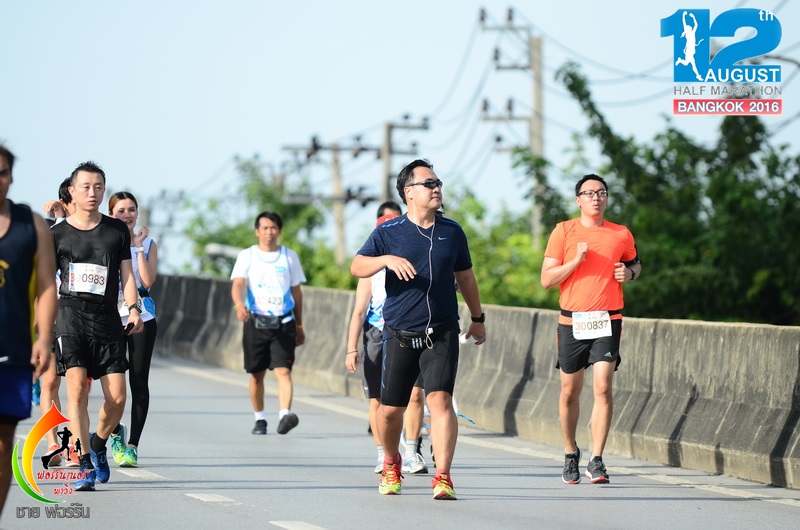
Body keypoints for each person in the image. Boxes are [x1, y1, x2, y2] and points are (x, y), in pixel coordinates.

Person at [351, 159, 486, 500]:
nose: (436, 188)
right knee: (390, 410)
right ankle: (391, 462)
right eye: (429, 183)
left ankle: (443, 476)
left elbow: (466, 277)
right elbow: (357, 265)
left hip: (441, 331)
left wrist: (478, 317)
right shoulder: (389, 232)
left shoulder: (452, 232)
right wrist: (385, 260)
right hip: (400, 333)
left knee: (439, 400)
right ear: (408, 192)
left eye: (438, 183)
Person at [540, 173, 641, 485]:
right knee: (570, 391)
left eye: (601, 192)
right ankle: (571, 452)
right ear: (578, 200)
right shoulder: (563, 231)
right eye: (589, 193)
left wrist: (630, 273)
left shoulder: (621, 233)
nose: (596, 197)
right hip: (572, 321)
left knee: (603, 387)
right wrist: (576, 260)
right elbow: (546, 279)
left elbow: (636, 263)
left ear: (606, 198)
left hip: (608, 319)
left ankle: (596, 460)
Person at [51, 161, 143, 491]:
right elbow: (46, 284)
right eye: (86, 187)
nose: (93, 193)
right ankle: (84, 463)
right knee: (76, 388)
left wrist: (133, 308)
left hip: (107, 319)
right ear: (72, 192)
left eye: (99, 187)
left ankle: (99, 442)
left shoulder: (116, 231)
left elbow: (126, 275)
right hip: (70, 316)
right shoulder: (57, 234)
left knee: (117, 399)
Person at [0, 143, 58, 518]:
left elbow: (47, 285)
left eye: (3, 173)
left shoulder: (31, 224)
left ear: (11, 177)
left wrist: (44, 337)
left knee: (3, 443)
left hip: (13, 349)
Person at [231, 211, 306, 436]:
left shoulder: (289, 256)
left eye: (273, 228)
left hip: (284, 322)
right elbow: (238, 284)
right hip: (256, 321)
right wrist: (239, 305)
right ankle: (260, 418)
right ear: (257, 231)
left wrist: (300, 326)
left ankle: (284, 415)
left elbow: (297, 292)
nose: (269, 232)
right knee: (257, 374)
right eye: (265, 228)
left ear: (279, 231)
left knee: (284, 371)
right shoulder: (247, 256)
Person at [107, 191, 158, 468]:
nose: (127, 215)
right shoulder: (105, 240)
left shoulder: (148, 244)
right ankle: (116, 431)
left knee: (138, 382)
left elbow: (147, 281)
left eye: (131, 210)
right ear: (111, 214)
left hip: (143, 317)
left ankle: (133, 446)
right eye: (121, 210)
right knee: (110, 381)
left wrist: (137, 248)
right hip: (109, 318)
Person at [38, 177, 79, 468]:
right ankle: (53, 443)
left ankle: (76, 445)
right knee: (50, 381)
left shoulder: (95, 232)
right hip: (51, 317)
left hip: (78, 317)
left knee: (77, 386)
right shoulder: (49, 231)